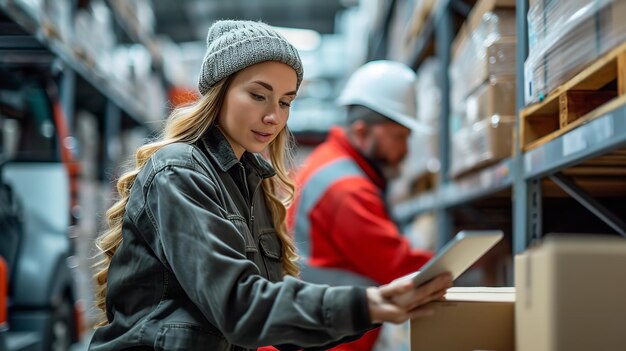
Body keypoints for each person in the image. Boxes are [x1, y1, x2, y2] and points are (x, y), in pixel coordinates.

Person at [88, 20, 452, 351]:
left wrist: (369, 310)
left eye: (285, 101)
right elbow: (239, 307)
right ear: (220, 92)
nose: (273, 116)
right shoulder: (179, 173)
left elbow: (270, 316)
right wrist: (366, 305)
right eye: (258, 95)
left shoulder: (252, 183)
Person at [287, 60, 436, 350]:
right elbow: (398, 268)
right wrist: (455, 268)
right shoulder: (347, 189)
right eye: (398, 137)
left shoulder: (330, 161)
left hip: (322, 333)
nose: (405, 150)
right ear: (361, 131)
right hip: (326, 342)